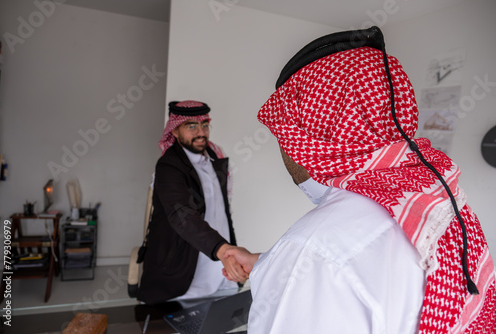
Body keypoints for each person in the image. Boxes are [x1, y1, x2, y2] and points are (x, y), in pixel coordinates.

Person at [223, 29, 496, 333]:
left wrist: (287, 265)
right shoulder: (434, 193)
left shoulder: (312, 250)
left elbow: (328, 263)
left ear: (304, 137)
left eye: (284, 133)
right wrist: (267, 262)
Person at [137, 100, 248, 305]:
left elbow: (222, 210)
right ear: (175, 131)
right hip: (182, 267)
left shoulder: (215, 156)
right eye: (191, 126)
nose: (201, 132)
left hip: (219, 264)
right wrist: (223, 250)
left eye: (204, 125)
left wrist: (228, 248)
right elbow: (183, 215)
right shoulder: (168, 166)